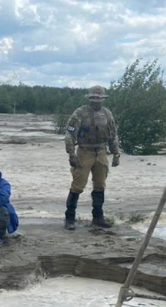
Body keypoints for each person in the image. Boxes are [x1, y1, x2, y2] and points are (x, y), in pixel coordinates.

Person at [63, 85, 121, 230]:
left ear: (103, 99)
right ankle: (69, 218)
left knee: (100, 185)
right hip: (84, 151)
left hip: (101, 151)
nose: (96, 101)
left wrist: (116, 153)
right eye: (94, 98)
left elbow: (113, 135)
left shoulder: (107, 114)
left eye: (99, 98)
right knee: (78, 185)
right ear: (89, 98)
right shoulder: (80, 113)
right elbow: (70, 134)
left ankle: (98, 217)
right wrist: (71, 154)